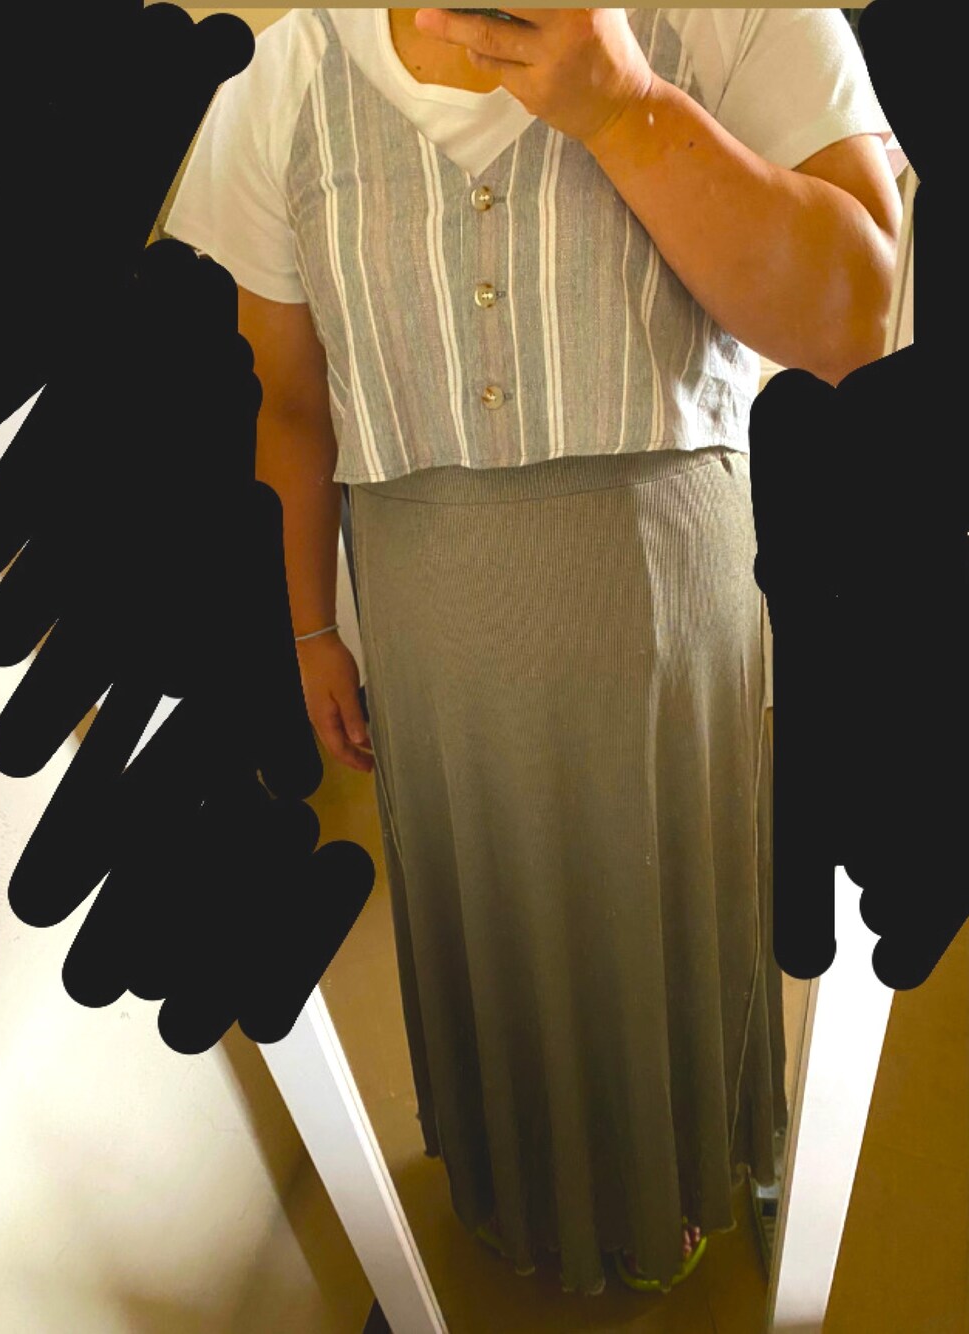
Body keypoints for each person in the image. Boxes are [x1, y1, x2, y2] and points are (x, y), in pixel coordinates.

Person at [165, 7, 901, 1297]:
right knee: (484, 905)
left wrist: (626, 107)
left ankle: (682, 1175)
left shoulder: (733, 17)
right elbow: (286, 401)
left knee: (666, 892)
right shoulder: (288, 74)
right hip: (434, 616)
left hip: (665, 591)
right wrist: (309, 625)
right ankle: (519, 1187)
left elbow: (856, 317)